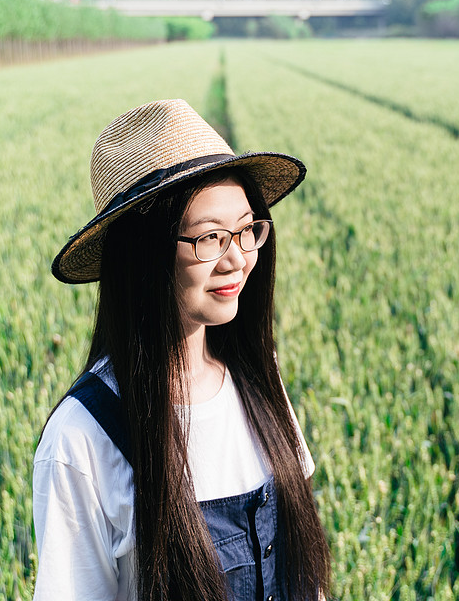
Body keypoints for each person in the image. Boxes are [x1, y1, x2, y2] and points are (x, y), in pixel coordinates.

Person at [33, 99, 332, 601]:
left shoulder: (260, 378)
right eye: (211, 238)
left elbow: (305, 572)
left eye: (247, 229)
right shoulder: (83, 438)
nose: (238, 259)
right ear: (144, 256)